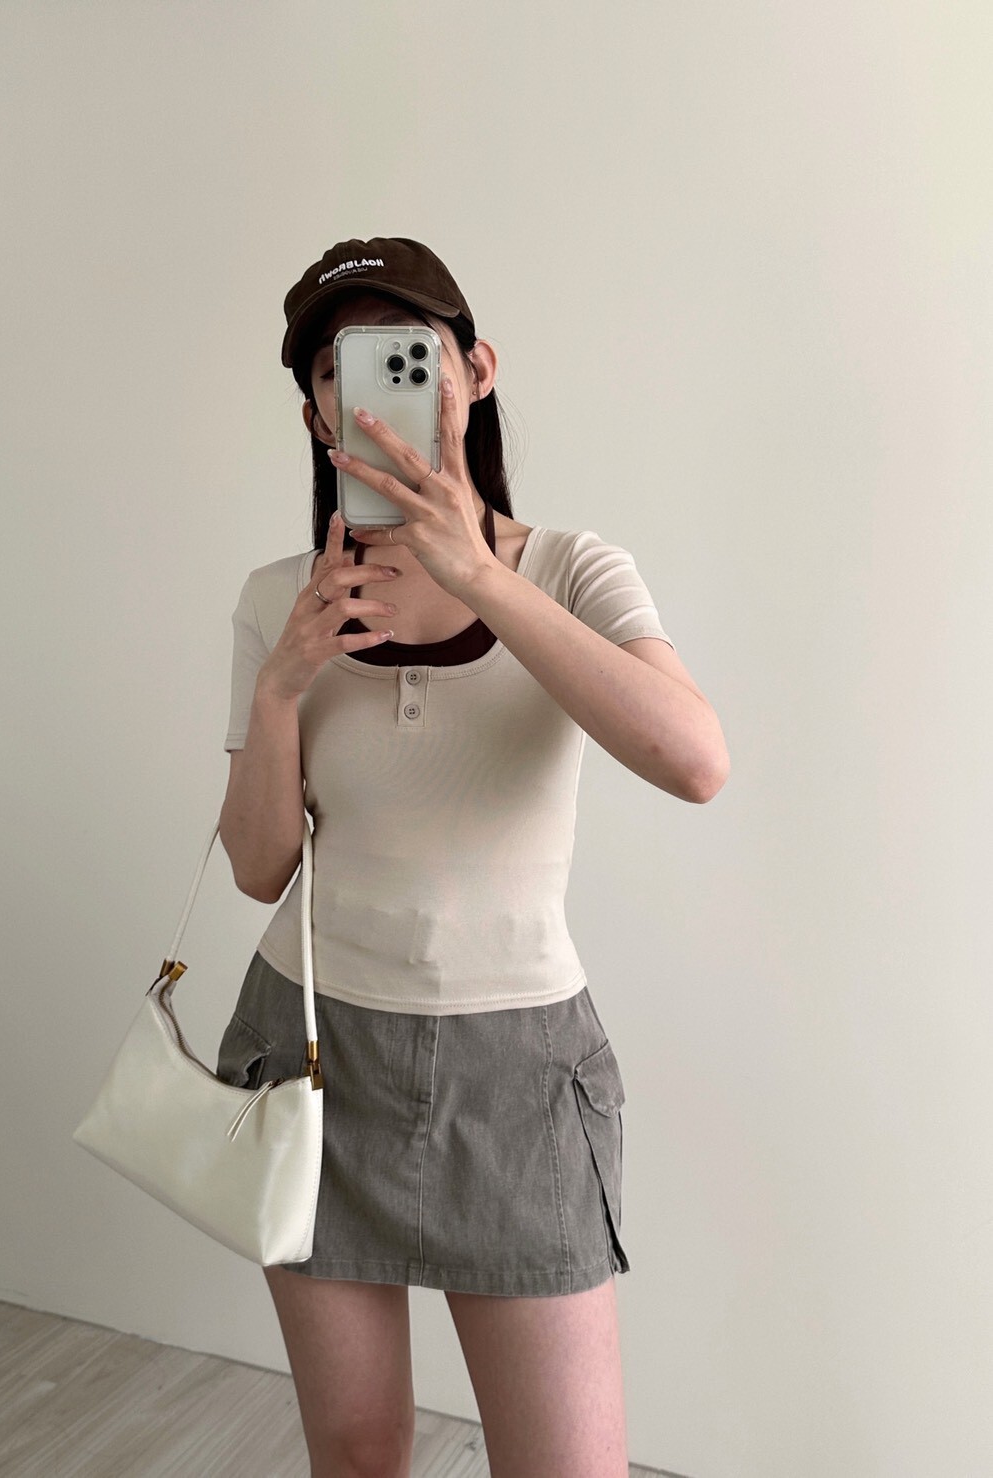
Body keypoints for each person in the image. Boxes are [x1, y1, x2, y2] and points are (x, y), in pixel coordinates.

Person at [217, 236, 729, 1478]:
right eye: (336, 368)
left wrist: (477, 575)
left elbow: (694, 760)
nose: (367, 387)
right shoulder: (280, 595)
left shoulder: (572, 569)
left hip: (518, 1073)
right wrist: (282, 685)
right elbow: (258, 865)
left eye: (405, 353)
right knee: (356, 1451)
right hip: (313, 1046)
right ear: (315, 413)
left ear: (476, 369)